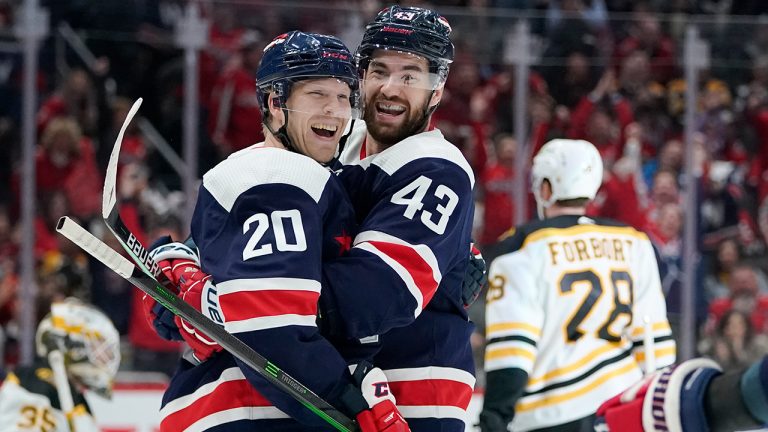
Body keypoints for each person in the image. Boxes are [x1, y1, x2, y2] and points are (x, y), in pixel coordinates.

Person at [151, 31, 409, 432]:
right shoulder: (277, 175)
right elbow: (270, 327)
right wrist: (350, 401)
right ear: (275, 104)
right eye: (317, 95)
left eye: (343, 97)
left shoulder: (304, 179)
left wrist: (195, 286)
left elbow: (207, 298)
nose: (335, 110)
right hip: (246, 411)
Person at [320, 6, 478, 431]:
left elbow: (372, 298)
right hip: (342, 383)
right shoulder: (334, 141)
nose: (390, 88)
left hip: (416, 392)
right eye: (379, 71)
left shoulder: (437, 168)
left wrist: (257, 293)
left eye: (410, 76)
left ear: (437, 89)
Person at [479, 139, 676, 432]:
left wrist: (494, 417)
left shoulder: (523, 247)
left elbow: (513, 349)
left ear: (546, 189)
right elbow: (654, 343)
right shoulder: (634, 241)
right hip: (621, 408)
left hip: (549, 414)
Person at [0, 298, 120, 432]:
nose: (108, 357)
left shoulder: (77, 399)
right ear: (72, 344)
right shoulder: (34, 381)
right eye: (98, 345)